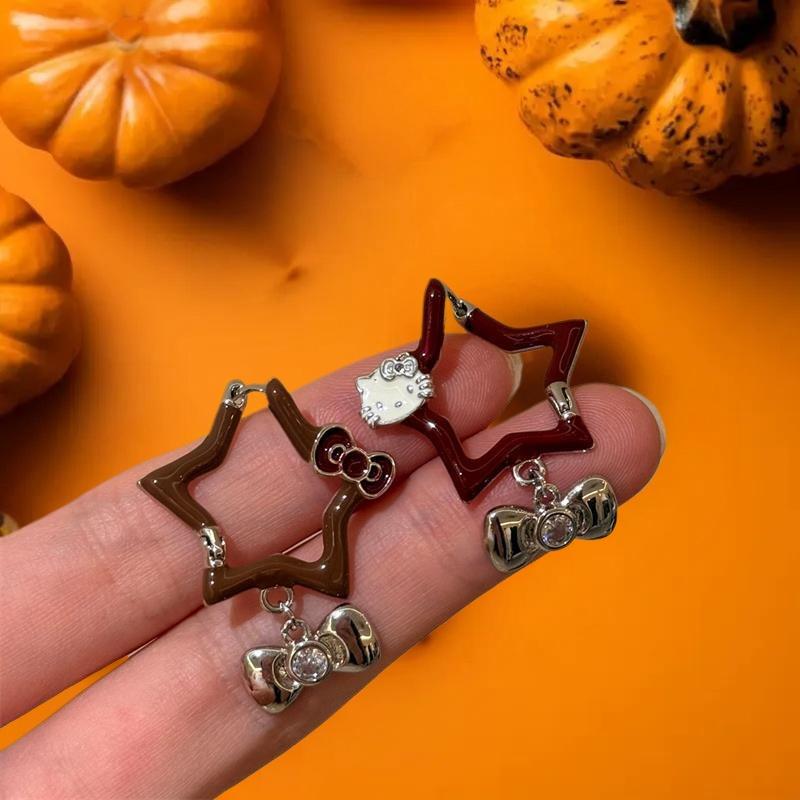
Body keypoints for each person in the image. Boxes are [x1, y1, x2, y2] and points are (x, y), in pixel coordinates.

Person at [0, 335, 664, 798]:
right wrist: (221, 521)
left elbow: (324, 497)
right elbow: (214, 472)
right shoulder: (271, 502)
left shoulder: (341, 499)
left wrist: (273, 412)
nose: (348, 466)